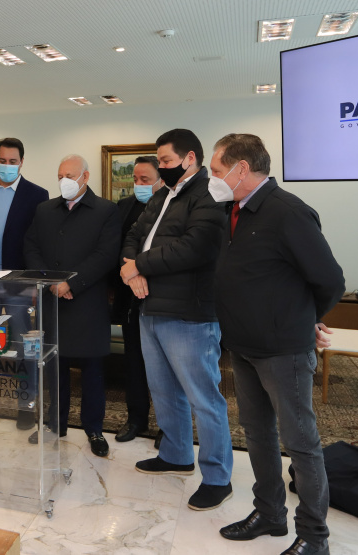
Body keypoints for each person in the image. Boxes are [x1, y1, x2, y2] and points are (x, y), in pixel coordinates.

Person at [212, 134, 344, 555]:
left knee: (301, 443)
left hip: (284, 350)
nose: (212, 179)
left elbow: (330, 280)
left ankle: (314, 536)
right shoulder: (233, 209)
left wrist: (307, 321)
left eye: (217, 171)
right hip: (244, 345)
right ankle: (269, 514)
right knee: (257, 434)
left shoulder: (288, 212)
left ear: (242, 170)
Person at [119, 128, 233, 510]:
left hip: (189, 313)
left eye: (166, 161)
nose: (161, 167)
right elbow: (134, 234)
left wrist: (139, 265)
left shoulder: (210, 193)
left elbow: (195, 247)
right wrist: (130, 269)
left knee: (204, 397)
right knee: (164, 390)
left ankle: (217, 477)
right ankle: (176, 455)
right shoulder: (162, 195)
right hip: (150, 306)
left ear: (189, 159)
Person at [24, 154, 121, 458]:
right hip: (53, 302)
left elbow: (106, 255)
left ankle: (94, 429)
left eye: (71, 175)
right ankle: (56, 423)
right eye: (60, 175)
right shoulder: (44, 209)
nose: (65, 180)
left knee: (93, 371)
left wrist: (72, 283)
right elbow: (31, 246)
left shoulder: (106, 210)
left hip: (88, 302)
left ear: (85, 177)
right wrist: (51, 281)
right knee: (56, 368)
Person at [0, 137, 49, 430]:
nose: (7, 166)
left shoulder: (37, 195)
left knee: (23, 346)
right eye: (2, 160)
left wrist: (34, 283)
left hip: (19, 284)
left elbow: (39, 242)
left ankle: (25, 404)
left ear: (22, 161)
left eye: (13, 161)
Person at [111, 156, 164, 443]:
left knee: (165, 368)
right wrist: (131, 273)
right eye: (136, 179)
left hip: (164, 299)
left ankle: (167, 426)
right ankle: (136, 419)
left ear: (160, 179)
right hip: (130, 298)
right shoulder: (124, 207)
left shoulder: (172, 207)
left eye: (145, 180)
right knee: (134, 362)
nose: (139, 185)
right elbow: (120, 246)